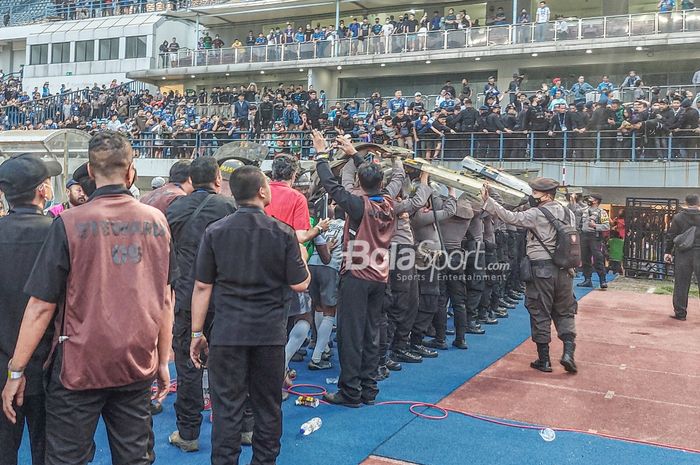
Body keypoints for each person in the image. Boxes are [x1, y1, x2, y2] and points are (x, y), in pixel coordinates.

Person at [1, 131, 176, 464]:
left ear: (91, 174)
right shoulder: (158, 222)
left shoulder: (68, 222)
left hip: (79, 366)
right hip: (136, 361)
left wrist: (17, 371)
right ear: (131, 172)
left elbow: (41, 306)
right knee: (135, 455)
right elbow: (166, 298)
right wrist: (163, 358)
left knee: (68, 457)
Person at [189, 165, 310, 465]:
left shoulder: (215, 231)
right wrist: (303, 257)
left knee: (226, 408)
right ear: (261, 191)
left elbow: (202, 287)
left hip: (228, 333)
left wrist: (195, 333)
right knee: (267, 407)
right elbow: (300, 283)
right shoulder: (282, 233)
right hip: (268, 335)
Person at [312, 131, 398, 407]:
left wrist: (322, 155)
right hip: (380, 275)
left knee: (350, 335)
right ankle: (368, 389)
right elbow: (371, 178)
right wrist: (354, 154)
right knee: (372, 333)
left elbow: (329, 184)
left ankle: (349, 392)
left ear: (359, 183)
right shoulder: (388, 202)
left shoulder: (357, 205)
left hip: (357, 275)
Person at [166, 157, 237, 452]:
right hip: (223, 300)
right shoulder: (228, 209)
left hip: (185, 297)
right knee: (230, 368)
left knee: (187, 368)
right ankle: (240, 429)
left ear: (191, 181)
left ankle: (188, 433)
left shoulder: (173, 209)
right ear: (218, 179)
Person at [0, 154, 62, 465]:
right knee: (49, 452)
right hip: (52, 366)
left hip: (2, 364)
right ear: (42, 190)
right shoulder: (59, 233)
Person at [481, 177, 578, 374]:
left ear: (546, 195)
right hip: (565, 271)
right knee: (565, 311)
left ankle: (544, 360)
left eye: (535, 193)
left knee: (540, 311)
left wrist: (488, 200)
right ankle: (568, 353)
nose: (532, 196)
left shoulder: (536, 213)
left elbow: (511, 218)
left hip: (541, 270)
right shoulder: (569, 213)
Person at [664, 194, 700, 321]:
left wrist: (668, 251)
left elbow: (672, 235)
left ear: (686, 202)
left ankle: (680, 313)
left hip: (684, 252)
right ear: (698, 203)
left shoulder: (679, 217)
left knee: (681, 283)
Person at [577, 193, 610, 289]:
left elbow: (607, 226)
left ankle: (602, 280)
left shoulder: (601, 212)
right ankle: (587, 279)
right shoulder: (584, 211)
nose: (589, 200)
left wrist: (595, 226)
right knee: (585, 258)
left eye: (591, 198)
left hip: (595, 237)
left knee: (598, 258)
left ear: (596, 201)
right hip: (584, 236)